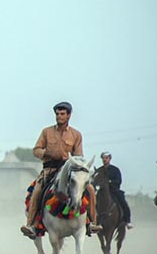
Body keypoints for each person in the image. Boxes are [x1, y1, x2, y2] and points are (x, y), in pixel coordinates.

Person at [20, 101, 100, 238]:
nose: (59, 117)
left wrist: (75, 163)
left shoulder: (76, 135)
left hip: (68, 170)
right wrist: (46, 152)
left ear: (69, 115)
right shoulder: (46, 132)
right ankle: (31, 225)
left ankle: (91, 223)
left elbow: (79, 156)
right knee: (37, 190)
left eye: (62, 114)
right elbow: (36, 150)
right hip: (49, 170)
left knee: (90, 190)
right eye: (57, 114)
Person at [98, 151, 133, 229]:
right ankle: (92, 222)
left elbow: (119, 181)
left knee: (123, 202)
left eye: (106, 158)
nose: (104, 160)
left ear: (110, 159)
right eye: (103, 158)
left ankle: (127, 221)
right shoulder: (99, 170)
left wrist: (110, 182)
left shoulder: (115, 170)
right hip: (102, 191)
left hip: (114, 190)